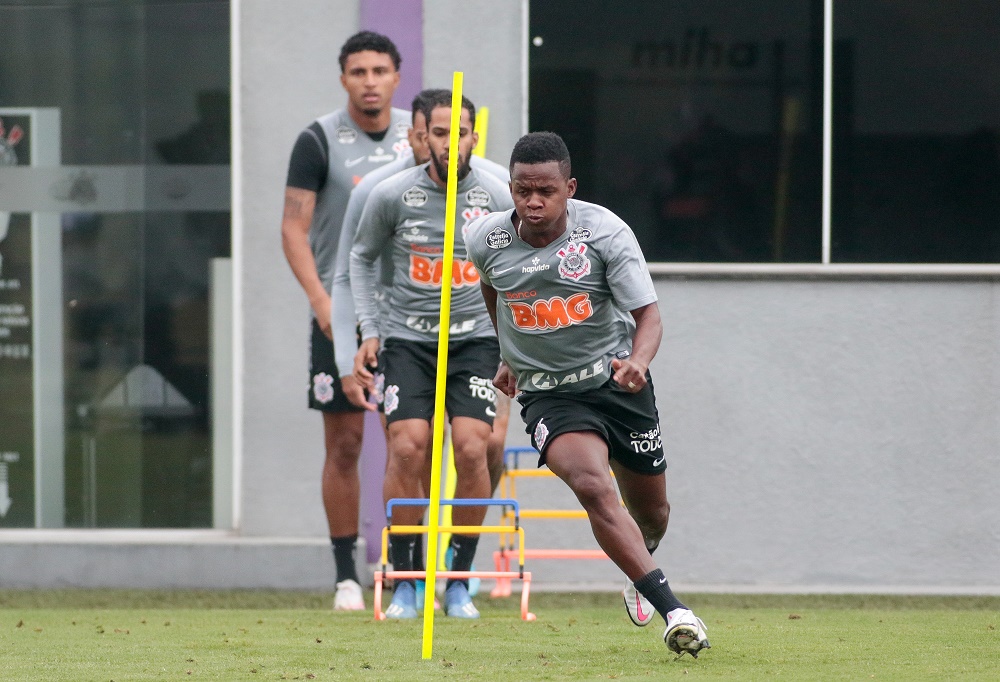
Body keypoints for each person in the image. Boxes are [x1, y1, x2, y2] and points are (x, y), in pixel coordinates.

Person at [464, 132, 711, 657]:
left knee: (655, 514)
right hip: (550, 395)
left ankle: (638, 563)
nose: (533, 202)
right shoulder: (484, 239)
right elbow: (494, 288)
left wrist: (638, 364)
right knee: (593, 485)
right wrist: (508, 353)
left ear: (568, 188)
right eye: (522, 190)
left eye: (545, 191)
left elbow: (648, 315)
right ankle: (676, 611)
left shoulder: (604, 233)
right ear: (510, 187)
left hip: (615, 381)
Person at [329, 89, 513, 590]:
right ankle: (408, 576)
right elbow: (360, 259)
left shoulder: (497, 194)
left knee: (475, 448)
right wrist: (368, 331)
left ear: (475, 136)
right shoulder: (392, 194)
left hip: (475, 340)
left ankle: (458, 576)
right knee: (408, 447)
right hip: (408, 340)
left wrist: (515, 342)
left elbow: (520, 264)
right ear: (420, 137)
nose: (450, 143)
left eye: (460, 132)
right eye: (438, 133)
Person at [280, 30, 410, 612]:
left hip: (407, 311)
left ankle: (409, 568)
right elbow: (292, 228)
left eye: (380, 70)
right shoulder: (317, 138)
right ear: (344, 78)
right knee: (346, 443)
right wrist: (320, 302)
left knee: (412, 440)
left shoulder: (419, 135)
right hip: (341, 311)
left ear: (396, 76)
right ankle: (345, 577)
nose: (370, 81)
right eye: (358, 71)